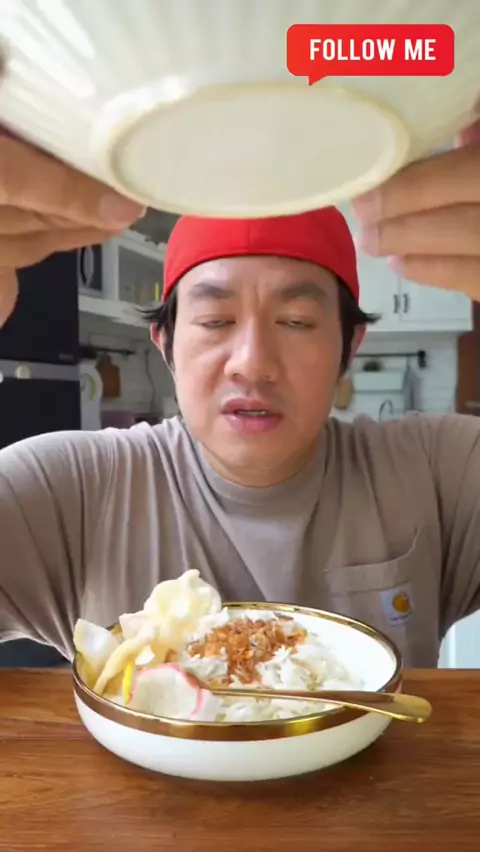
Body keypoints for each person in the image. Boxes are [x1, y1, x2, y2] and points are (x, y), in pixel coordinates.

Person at [0, 127, 480, 669]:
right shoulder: (72, 492)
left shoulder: (437, 474)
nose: (252, 363)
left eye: (296, 321)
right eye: (215, 321)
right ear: (165, 343)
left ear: (349, 345)